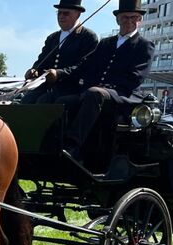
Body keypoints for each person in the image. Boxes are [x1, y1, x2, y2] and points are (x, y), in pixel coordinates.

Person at [47, 0, 155, 161]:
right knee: (63, 100)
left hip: (124, 95)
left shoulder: (144, 45)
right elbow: (86, 66)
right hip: (96, 92)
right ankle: (52, 143)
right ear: (118, 19)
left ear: (140, 20)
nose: (130, 21)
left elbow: (135, 78)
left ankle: (72, 146)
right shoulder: (106, 43)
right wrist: (61, 73)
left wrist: (103, 87)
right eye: (125, 17)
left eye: (134, 18)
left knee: (94, 94)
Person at [21, 0, 98, 104]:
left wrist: (59, 73)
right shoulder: (52, 38)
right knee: (26, 100)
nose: (61, 16)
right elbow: (42, 60)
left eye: (66, 13)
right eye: (59, 13)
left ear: (77, 14)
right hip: (49, 86)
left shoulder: (88, 37)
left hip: (72, 87)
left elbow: (83, 67)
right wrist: (34, 69)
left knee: (43, 102)